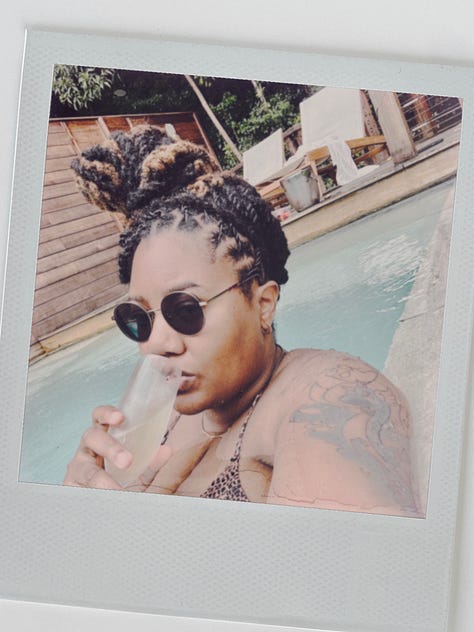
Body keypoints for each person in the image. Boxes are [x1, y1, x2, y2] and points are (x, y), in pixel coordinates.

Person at [64, 124, 420, 517]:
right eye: (138, 319)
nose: (156, 344)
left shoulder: (325, 395)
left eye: (185, 310)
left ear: (263, 304)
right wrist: (81, 499)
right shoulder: (159, 420)